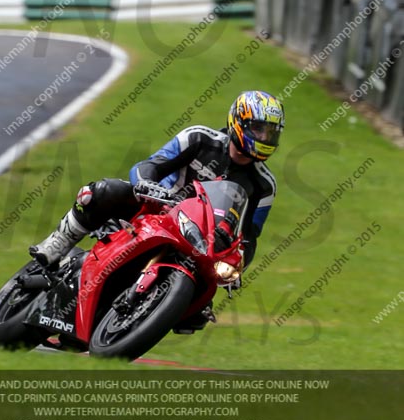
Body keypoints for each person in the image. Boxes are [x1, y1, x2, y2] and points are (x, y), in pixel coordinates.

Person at [30, 90, 285, 327]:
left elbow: (249, 237)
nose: (264, 137)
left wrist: (237, 267)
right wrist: (146, 185)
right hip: (155, 208)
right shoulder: (198, 137)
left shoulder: (264, 185)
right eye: (258, 129)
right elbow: (151, 165)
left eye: (270, 132)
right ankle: (58, 243)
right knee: (102, 191)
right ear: (238, 122)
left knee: (198, 311)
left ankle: (155, 312)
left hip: (198, 242)